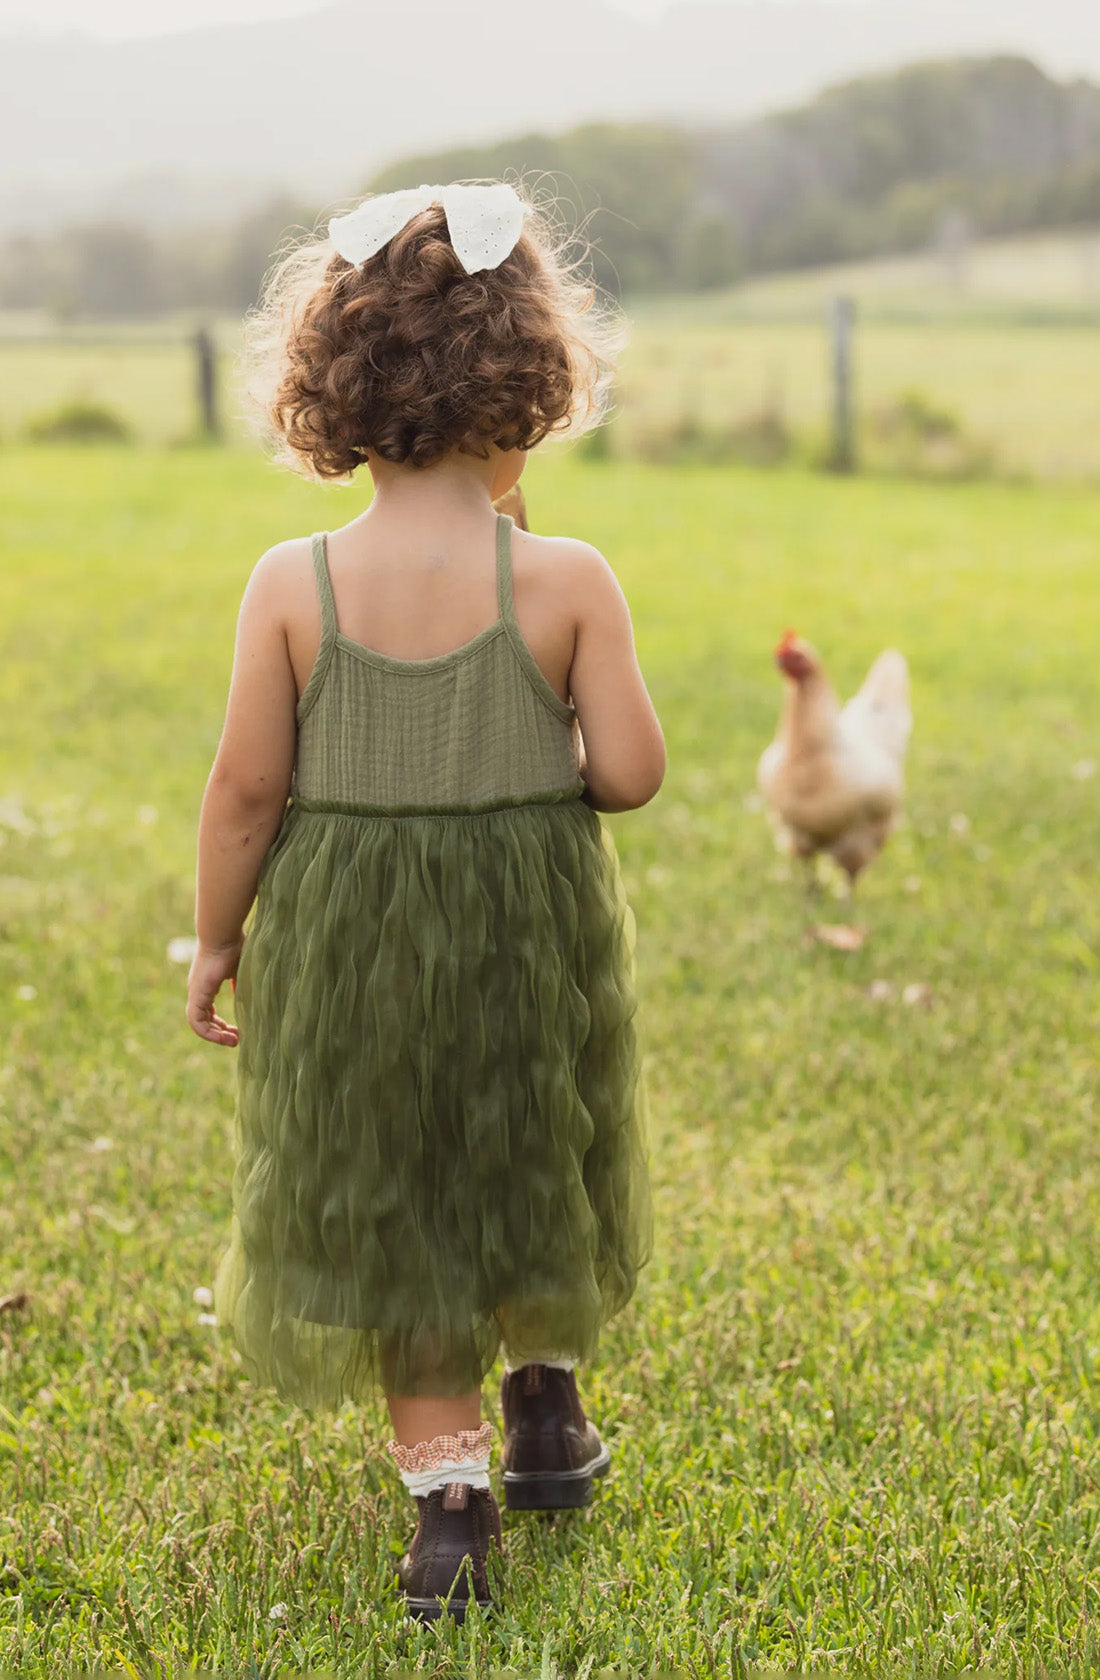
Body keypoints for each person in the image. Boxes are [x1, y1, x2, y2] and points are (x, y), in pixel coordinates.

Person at [186, 180, 664, 1622]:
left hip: (344, 950)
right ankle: (545, 1409)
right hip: (525, 937)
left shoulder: (293, 583)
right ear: (530, 386)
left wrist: (220, 936)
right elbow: (631, 773)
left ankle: (449, 1503)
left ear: (336, 391)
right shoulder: (565, 577)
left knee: (394, 1196)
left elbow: (244, 796)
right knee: (528, 1154)